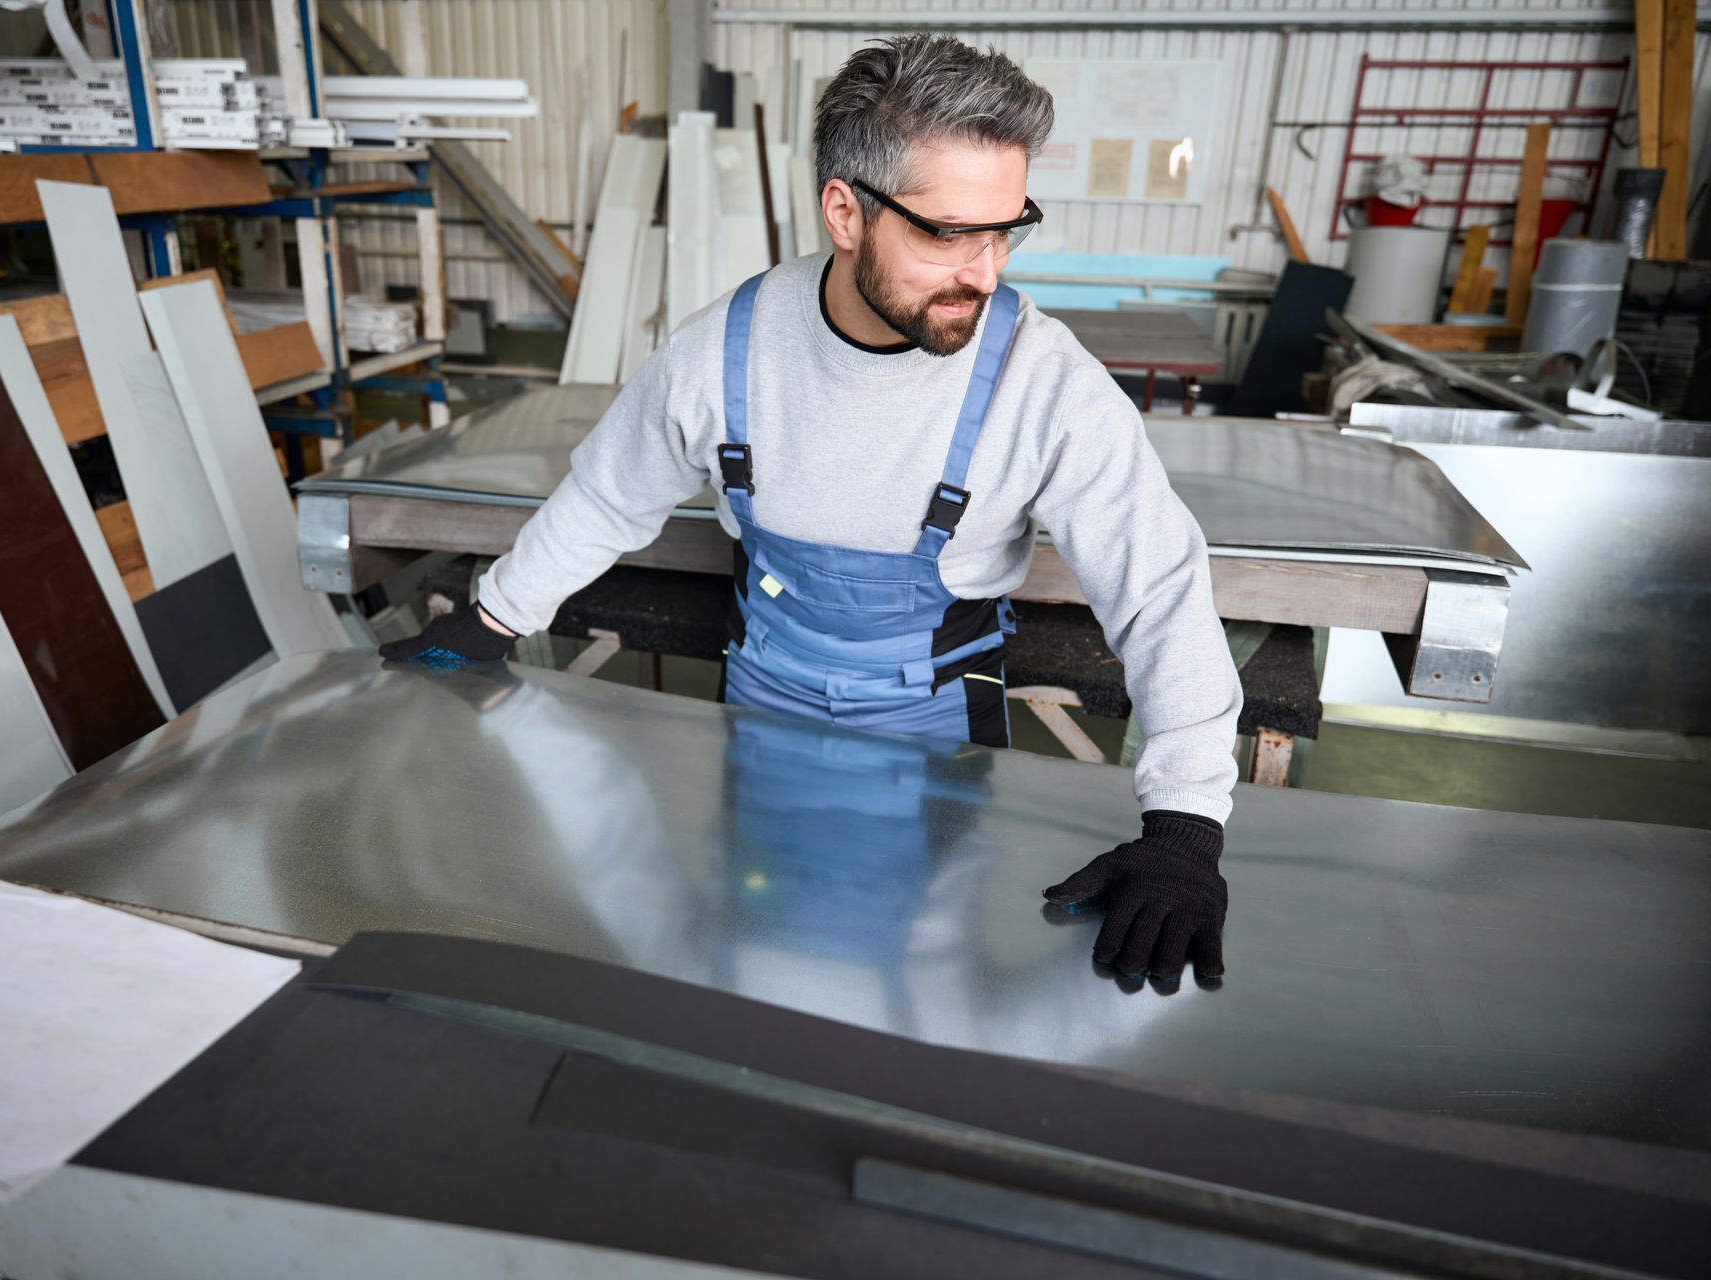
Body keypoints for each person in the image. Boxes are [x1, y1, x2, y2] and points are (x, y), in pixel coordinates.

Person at [382, 34, 1242, 986]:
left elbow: (1157, 589)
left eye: (1007, 229)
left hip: (939, 728)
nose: (988, 273)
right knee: (753, 941)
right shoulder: (722, 353)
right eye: (949, 234)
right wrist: (492, 617)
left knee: (915, 966)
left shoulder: (1046, 385)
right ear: (845, 210)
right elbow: (606, 496)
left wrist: (1185, 824)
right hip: (762, 713)